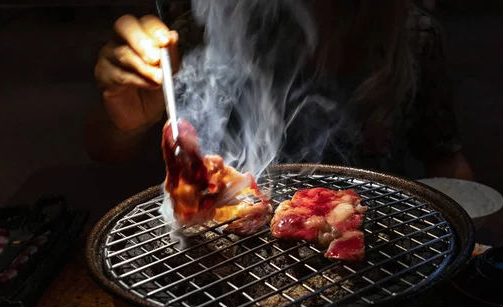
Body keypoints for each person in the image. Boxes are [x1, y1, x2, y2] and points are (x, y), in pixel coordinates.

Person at [86, 1, 474, 181]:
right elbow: (104, 150)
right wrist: (127, 121)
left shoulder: (413, 36)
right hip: (239, 260)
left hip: (377, 255)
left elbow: (445, 158)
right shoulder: (209, 28)